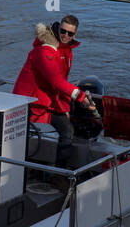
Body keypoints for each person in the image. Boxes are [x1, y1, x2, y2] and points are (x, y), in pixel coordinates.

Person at [12, 15, 96, 168]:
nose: (65, 36)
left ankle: (60, 174)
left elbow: (60, 83)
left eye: (70, 34)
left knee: (67, 131)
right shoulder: (45, 51)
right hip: (28, 101)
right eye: (63, 31)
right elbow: (56, 81)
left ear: (75, 35)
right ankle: (17, 169)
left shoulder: (66, 51)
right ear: (58, 28)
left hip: (47, 101)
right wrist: (81, 96)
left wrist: (64, 108)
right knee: (19, 136)